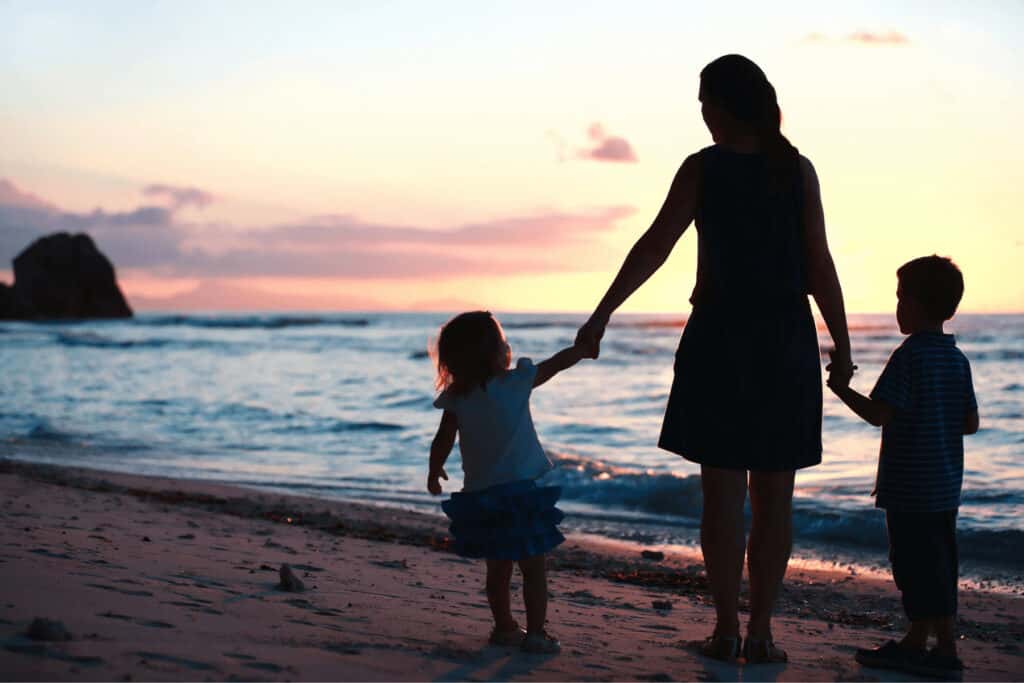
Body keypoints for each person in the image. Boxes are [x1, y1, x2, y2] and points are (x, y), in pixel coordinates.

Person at [575, 54, 854, 663]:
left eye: (704, 102)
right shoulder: (795, 169)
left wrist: (602, 315)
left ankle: (728, 630)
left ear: (723, 106)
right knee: (775, 497)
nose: (702, 115)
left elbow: (655, 244)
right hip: (784, 341)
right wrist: (842, 342)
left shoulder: (705, 169)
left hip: (721, 339)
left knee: (723, 496)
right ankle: (760, 633)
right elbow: (819, 264)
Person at [827, 256, 978, 677]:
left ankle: (933, 646)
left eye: (900, 299)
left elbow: (880, 414)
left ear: (917, 304)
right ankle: (929, 642)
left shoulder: (909, 356)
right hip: (945, 487)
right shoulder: (957, 359)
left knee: (913, 566)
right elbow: (971, 422)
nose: (896, 308)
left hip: (911, 486)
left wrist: (841, 389)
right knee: (939, 564)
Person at [428, 311, 591, 654]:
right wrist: (581, 348)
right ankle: (535, 633)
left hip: (481, 498)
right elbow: (555, 365)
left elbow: (442, 438)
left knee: (498, 569)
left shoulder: (458, 396)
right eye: (503, 341)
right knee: (533, 569)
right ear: (494, 352)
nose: (508, 346)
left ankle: (504, 627)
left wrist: (434, 469)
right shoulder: (515, 382)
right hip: (519, 496)